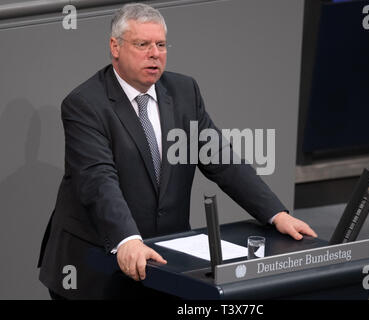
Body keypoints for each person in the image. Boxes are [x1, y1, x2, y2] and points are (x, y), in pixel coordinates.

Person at [37, 3, 317, 300]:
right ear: (115, 47)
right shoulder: (85, 104)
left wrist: (275, 213)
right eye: (142, 44)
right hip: (95, 264)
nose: (154, 53)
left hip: (163, 263)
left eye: (160, 44)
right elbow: (98, 181)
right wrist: (127, 239)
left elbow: (222, 160)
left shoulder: (184, 92)